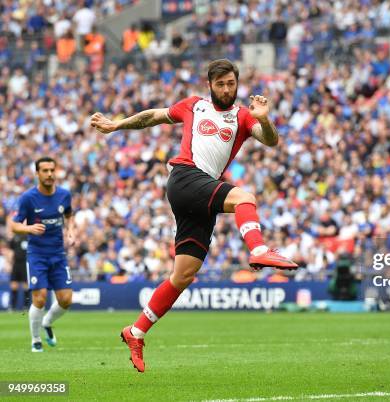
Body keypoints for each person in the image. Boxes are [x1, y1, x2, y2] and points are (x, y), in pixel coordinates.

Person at [90, 58, 299, 372]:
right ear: (210, 85)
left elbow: (271, 140)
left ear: (237, 84)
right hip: (185, 177)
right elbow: (153, 117)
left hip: (200, 193)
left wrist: (265, 120)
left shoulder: (243, 116)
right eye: (221, 84)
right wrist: (116, 125)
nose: (227, 89)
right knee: (244, 196)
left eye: (231, 83)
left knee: (183, 275)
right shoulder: (193, 106)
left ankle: (135, 331)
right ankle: (258, 250)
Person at [11, 157, 75, 352]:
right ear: (37, 173)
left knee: (66, 300)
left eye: (52, 170)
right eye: (45, 171)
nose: (49, 174)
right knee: (39, 298)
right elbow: (13, 225)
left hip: (58, 254)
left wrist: (70, 231)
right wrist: (29, 229)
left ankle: (47, 322)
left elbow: (69, 215)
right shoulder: (28, 198)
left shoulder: (64, 195)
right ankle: (36, 339)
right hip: (37, 254)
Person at [7, 224, 30, 312]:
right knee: (14, 285)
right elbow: (10, 250)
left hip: (25, 263)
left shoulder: (29, 237)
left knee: (26, 285)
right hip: (16, 263)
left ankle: (26, 306)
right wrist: (9, 263)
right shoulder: (15, 237)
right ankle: (12, 306)